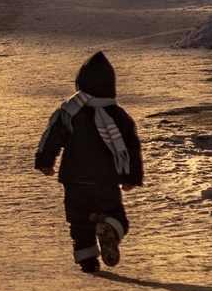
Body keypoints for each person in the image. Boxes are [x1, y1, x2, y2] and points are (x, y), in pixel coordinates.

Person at [34, 51, 144, 273]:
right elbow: (131, 146)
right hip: (106, 181)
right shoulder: (118, 116)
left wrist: (45, 161)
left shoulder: (69, 112)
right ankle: (110, 227)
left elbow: (52, 135)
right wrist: (131, 177)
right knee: (115, 213)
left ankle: (88, 261)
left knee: (79, 221)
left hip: (74, 180)